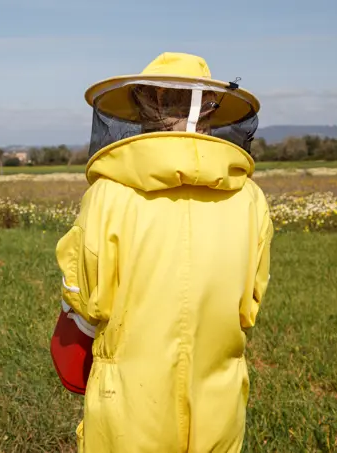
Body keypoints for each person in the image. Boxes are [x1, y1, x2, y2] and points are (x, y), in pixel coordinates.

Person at [55, 52, 274, 452]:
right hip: (218, 401)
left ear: (144, 101)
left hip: (127, 404)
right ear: (210, 108)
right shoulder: (250, 199)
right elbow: (248, 307)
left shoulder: (107, 195)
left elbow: (85, 301)